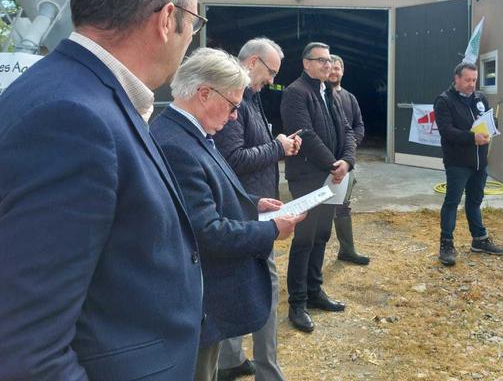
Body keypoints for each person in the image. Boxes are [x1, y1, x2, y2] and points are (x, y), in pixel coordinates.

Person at [0, 0, 204, 380]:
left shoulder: (70, 92)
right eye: (193, 24)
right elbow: (28, 357)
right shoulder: (73, 120)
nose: (190, 40)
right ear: (166, 20)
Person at [151, 48, 303, 381]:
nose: (235, 116)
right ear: (204, 93)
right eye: (233, 105)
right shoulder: (178, 144)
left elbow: (211, 189)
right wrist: (272, 230)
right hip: (198, 299)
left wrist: (253, 202)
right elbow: (207, 231)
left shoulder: (192, 134)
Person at [215, 38, 300, 381]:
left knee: (238, 284)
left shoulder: (251, 99)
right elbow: (233, 159)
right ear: (251, 62)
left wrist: (275, 145)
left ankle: (230, 360)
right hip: (246, 211)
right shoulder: (235, 103)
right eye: (270, 73)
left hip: (254, 205)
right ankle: (268, 371)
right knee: (266, 285)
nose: (272, 81)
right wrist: (277, 148)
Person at [281, 42, 356, 332]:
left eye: (329, 61)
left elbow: (347, 130)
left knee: (322, 235)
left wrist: (346, 162)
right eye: (321, 61)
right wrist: (331, 165)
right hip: (309, 178)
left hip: (333, 175)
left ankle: (315, 291)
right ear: (306, 64)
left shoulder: (329, 94)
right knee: (304, 239)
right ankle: (297, 304)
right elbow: (306, 134)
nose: (328, 66)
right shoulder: (295, 93)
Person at [434, 62, 503, 266]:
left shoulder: (480, 98)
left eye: (474, 80)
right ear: (456, 78)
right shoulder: (444, 100)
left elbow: (492, 120)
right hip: (458, 162)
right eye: (467, 80)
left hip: (479, 162)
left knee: (475, 201)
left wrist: (492, 128)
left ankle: (479, 239)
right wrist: (472, 137)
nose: (471, 84)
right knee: (452, 202)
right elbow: (447, 131)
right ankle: (446, 244)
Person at [327, 54, 370, 265]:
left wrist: (350, 149)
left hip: (347, 161)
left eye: (338, 68)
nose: (334, 72)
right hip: (324, 161)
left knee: (343, 205)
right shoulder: (319, 96)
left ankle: (347, 249)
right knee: (321, 208)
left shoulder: (349, 98)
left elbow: (359, 126)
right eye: (331, 68)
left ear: (342, 71)